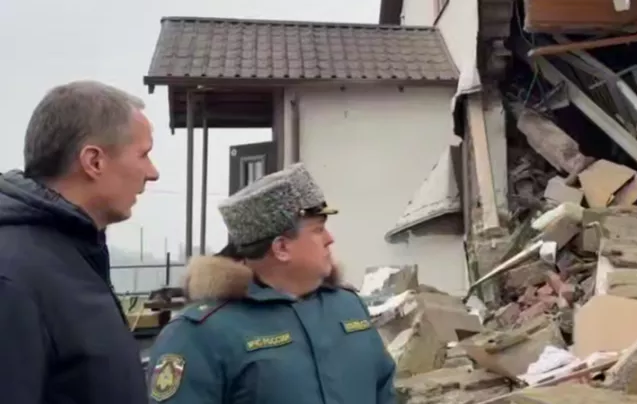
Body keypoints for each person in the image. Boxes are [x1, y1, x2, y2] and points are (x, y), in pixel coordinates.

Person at [146, 163, 396, 404]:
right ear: (282, 248)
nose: (330, 239)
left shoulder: (348, 306)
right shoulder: (199, 334)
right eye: (318, 230)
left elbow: (384, 390)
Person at [0, 80, 160, 404]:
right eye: (143, 155)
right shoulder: (13, 277)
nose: (152, 173)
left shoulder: (74, 256)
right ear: (94, 161)